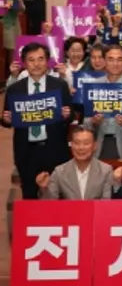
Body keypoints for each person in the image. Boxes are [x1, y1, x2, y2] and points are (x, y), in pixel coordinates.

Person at [1, 42, 73, 199]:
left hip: (54, 149)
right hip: (27, 151)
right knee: (29, 194)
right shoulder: (15, 89)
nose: (36, 64)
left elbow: (71, 116)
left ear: (47, 61)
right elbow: (6, 120)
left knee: (57, 195)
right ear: (24, 63)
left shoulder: (59, 85)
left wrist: (67, 115)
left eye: (41, 59)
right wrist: (7, 119)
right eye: (31, 60)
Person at [36, 127, 114, 200]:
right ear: (71, 145)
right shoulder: (59, 171)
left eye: (86, 143)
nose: (81, 147)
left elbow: (106, 203)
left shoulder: (106, 170)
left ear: (95, 146)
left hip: (96, 210)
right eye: (76, 143)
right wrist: (44, 188)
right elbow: (50, 203)